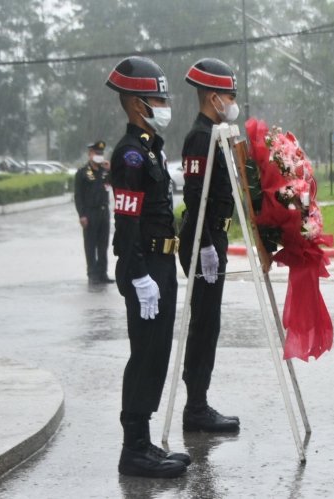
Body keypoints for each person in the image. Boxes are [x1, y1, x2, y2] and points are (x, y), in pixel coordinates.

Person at [105, 55, 190, 478]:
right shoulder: (130, 156)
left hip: (161, 263)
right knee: (144, 355)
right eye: (157, 98)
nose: (164, 104)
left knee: (156, 352)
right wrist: (138, 275)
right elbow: (127, 223)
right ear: (138, 103)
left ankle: (144, 441)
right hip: (146, 268)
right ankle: (132, 449)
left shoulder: (149, 149)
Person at [178, 58, 240, 433]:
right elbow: (195, 195)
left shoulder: (217, 131)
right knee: (204, 323)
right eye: (230, 95)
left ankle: (198, 402)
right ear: (214, 97)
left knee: (209, 322)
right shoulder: (201, 137)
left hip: (214, 235)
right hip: (203, 237)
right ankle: (195, 407)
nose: (233, 102)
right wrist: (204, 245)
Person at [74, 140, 114, 284]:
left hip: (104, 213)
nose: (99, 155)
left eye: (101, 153)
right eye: (97, 153)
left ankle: (102, 273)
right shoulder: (83, 173)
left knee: (103, 245)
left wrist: (111, 170)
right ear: (90, 154)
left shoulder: (105, 171)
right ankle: (92, 273)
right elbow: (78, 196)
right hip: (90, 213)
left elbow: (116, 184)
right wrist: (82, 215)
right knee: (90, 245)